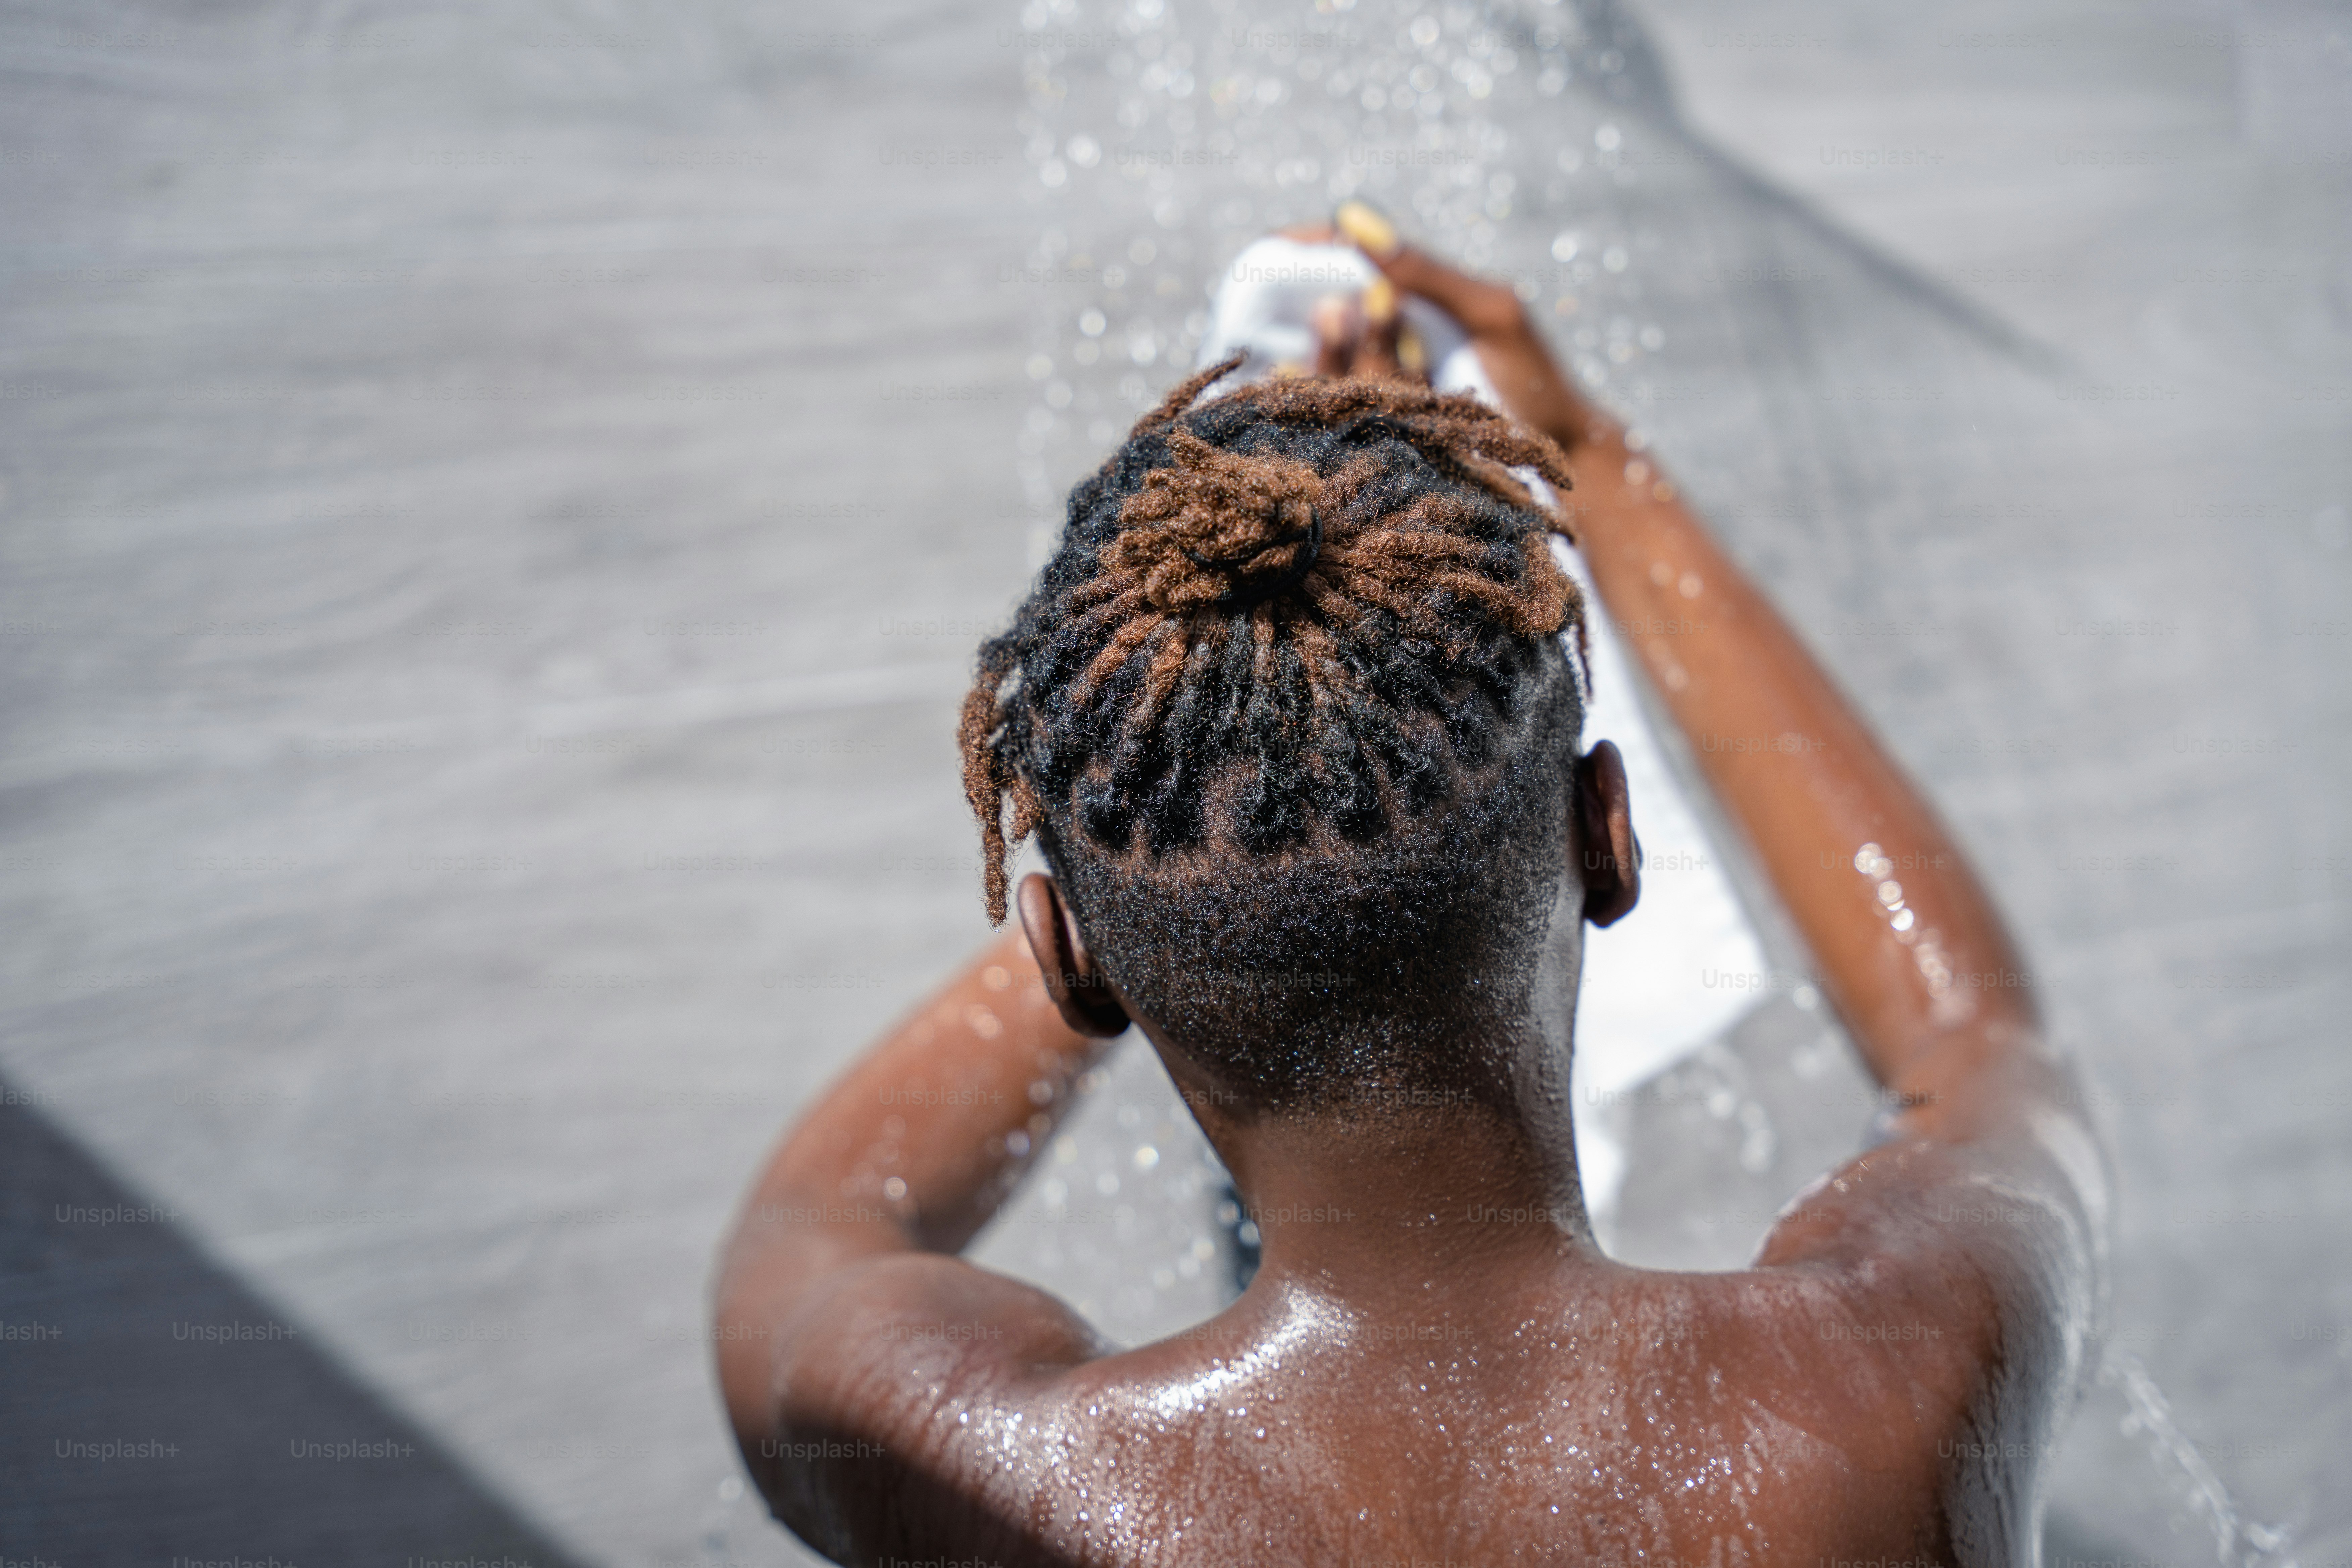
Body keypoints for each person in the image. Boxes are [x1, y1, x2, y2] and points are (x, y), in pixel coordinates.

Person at [712, 210, 2104, 1567]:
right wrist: (1589, 462)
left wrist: (1153, 768)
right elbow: (1973, 1038)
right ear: (1610, 839)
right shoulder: (1892, 1387)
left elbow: (806, 1234)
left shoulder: (994, 1481)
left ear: (1068, 959)